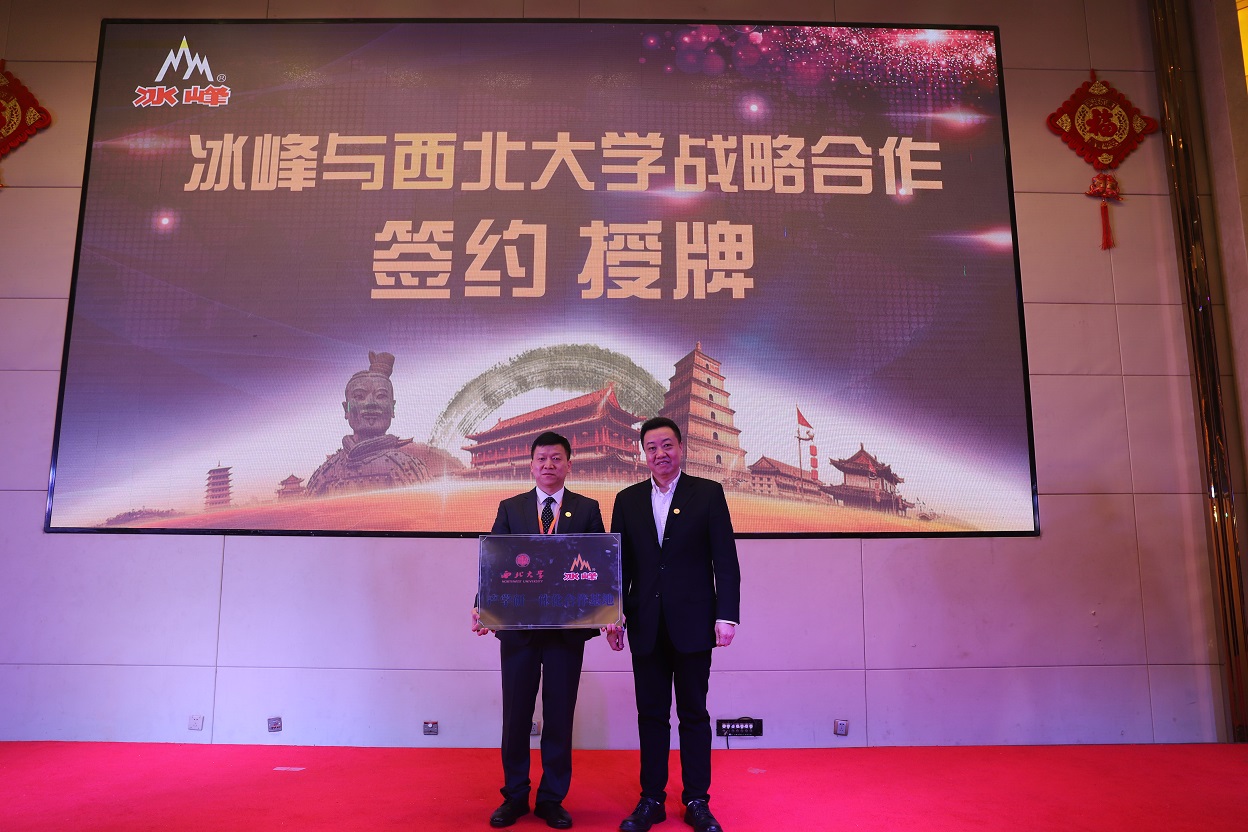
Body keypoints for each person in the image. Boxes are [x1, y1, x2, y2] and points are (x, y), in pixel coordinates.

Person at [606, 416, 741, 832]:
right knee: (651, 715)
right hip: (645, 624)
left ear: (681, 448)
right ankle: (651, 800)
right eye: (651, 447)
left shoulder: (708, 493)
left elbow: (725, 560)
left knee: (694, 714)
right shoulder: (627, 499)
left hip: (695, 622)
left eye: (667, 445)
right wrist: (612, 616)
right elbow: (618, 566)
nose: (660, 454)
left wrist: (727, 615)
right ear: (643, 453)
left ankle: (697, 800)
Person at [472, 431, 606, 830]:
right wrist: (481, 605)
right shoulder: (510, 508)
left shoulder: (587, 509)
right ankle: (514, 796)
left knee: (559, 715)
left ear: (569, 464)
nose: (549, 465)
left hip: (567, 630)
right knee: (516, 715)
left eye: (556, 458)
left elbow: (600, 564)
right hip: (519, 629)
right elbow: (494, 562)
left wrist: (610, 612)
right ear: (531, 465)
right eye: (542, 459)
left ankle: (551, 799)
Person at [305, 351, 429, 496]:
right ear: (346, 409)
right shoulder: (325, 472)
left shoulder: (407, 466)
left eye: (380, 396)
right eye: (359, 396)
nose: (370, 403)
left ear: (392, 408)